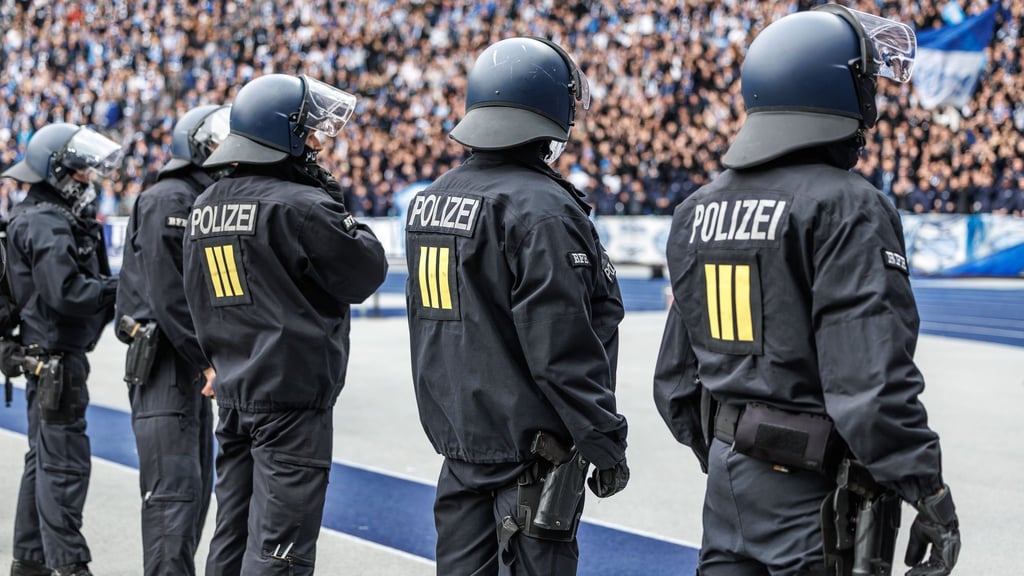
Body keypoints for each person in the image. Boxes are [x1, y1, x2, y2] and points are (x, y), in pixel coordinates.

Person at [653, 6, 961, 576]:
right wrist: (928, 492)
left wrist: (732, 447)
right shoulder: (849, 207)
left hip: (726, 489)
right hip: (815, 497)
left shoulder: (696, 211)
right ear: (838, 91)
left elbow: (674, 384)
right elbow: (870, 386)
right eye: (866, 80)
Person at [405, 37, 630, 576]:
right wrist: (605, 442)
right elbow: (562, 350)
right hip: (530, 462)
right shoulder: (544, 210)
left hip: (460, 452)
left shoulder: (430, 199)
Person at [181, 73, 388, 575]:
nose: (318, 142)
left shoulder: (205, 205)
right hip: (291, 400)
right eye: (310, 132)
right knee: (281, 549)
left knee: (231, 533)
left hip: (234, 388)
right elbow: (365, 271)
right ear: (284, 135)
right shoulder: (301, 205)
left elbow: (193, 296)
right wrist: (327, 193)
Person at [114, 104, 231, 576]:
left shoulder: (193, 196)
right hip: (167, 366)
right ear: (199, 146)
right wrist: (207, 362)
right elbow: (172, 296)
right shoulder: (171, 199)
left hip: (180, 367)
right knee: (173, 502)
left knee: (193, 496)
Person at [1, 123, 123, 576]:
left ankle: (29, 563)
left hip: (44, 359)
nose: (87, 180)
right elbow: (67, 293)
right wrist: (124, 285)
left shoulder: (37, 216)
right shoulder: (46, 222)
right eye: (80, 171)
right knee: (64, 469)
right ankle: (69, 567)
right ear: (57, 173)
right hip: (54, 363)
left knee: (43, 462)